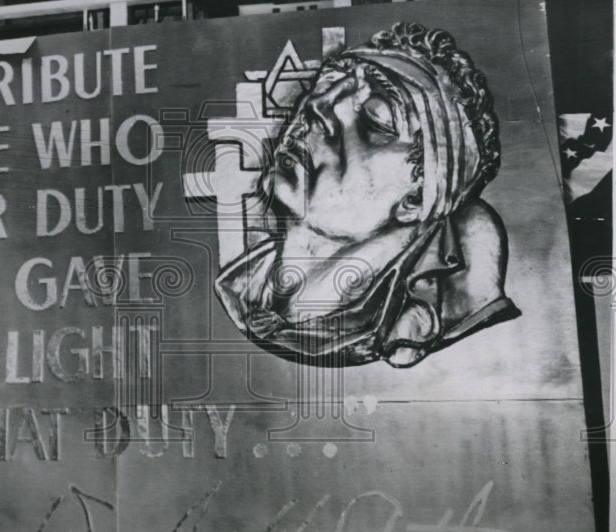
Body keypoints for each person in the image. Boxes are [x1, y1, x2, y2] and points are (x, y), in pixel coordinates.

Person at [214, 21, 519, 368]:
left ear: (415, 201)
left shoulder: (402, 321)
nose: (317, 106)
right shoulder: (241, 287)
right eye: (327, 84)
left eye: (376, 121)